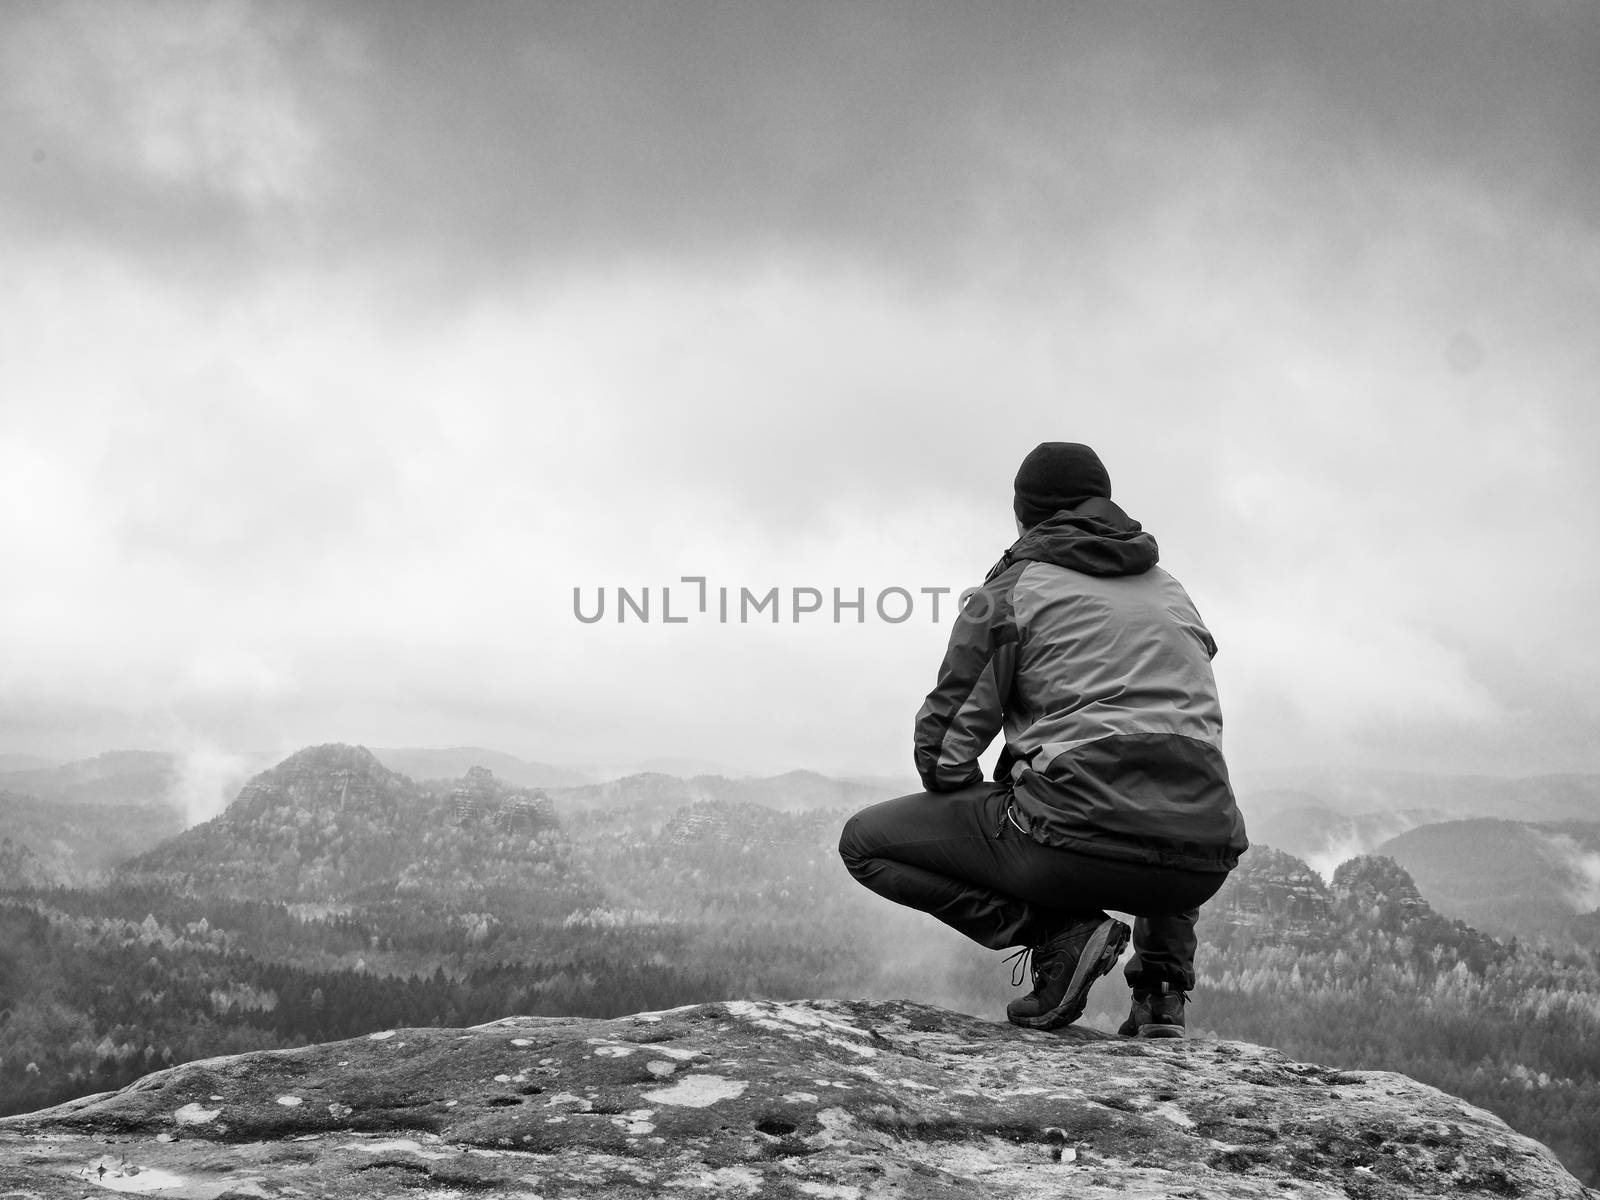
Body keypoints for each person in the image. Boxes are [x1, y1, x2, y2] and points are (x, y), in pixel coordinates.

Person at [838, 442, 1247, 1035]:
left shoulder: (1008, 591)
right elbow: (1173, 742)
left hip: (1071, 842)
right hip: (1202, 860)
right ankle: (1161, 993)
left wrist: (986, 808)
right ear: (1106, 503)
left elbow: (948, 748)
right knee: (1175, 791)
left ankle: (1061, 934)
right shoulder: (1170, 591)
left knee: (864, 843)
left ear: (1022, 513)